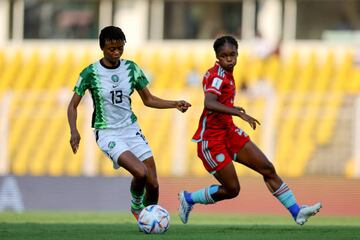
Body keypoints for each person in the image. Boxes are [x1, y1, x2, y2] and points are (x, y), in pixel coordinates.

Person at [178, 35, 321, 225]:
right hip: (211, 140)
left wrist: (234, 116)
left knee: (267, 168)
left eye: (232, 55)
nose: (229, 59)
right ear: (217, 57)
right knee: (232, 189)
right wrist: (238, 112)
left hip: (229, 132)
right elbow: (209, 102)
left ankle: (297, 212)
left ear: (237, 54)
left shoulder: (228, 74)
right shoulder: (216, 76)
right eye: (224, 56)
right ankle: (188, 199)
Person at [67, 26, 191, 221]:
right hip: (107, 132)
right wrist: (74, 131)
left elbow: (148, 99)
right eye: (111, 49)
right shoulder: (90, 73)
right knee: (140, 173)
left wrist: (174, 104)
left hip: (131, 129)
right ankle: (136, 206)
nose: (116, 52)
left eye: (120, 48)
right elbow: (72, 106)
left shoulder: (131, 68)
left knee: (154, 183)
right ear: (102, 48)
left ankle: (152, 221)